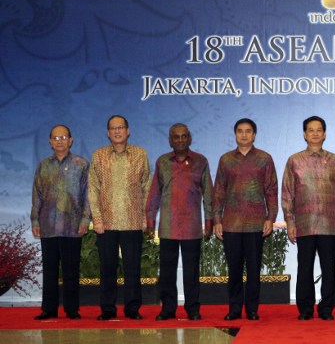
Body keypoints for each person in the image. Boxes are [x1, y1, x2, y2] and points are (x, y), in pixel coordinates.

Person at [281, 116, 335, 321]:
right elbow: (287, 194)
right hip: (304, 224)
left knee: (329, 268)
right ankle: (305, 308)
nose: (314, 133)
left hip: (329, 224)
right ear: (304, 134)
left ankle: (327, 308)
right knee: (305, 268)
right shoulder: (294, 161)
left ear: (324, 134)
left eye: (318, 130)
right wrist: (290, 222)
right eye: (310, 130)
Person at [145, 123, 213, 321]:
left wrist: (209, 220)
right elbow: (154, 193)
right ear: (170, 140)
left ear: (189, 138)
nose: (181, 140)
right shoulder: (162, 162)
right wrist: (150, 220)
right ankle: (168, 308)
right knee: (167, 271)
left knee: (192, 271)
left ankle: (193, 309)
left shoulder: (201, 161)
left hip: (192, 226)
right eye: (176, 137)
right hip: (168, 226)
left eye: (184, 136)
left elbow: (209, 193)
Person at [213, 118, 278, 321]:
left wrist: (270, 217)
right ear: (235, 135)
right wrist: (217, 220)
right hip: (231, 223)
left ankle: (252, 309)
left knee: (253, 269)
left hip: (256, 223)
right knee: (233, 270)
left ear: (254, 135)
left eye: (248, 131)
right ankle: (234, 309)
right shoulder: (225, 160)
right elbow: (218, 192)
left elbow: (271, 191)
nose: (244, 135)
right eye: (240, 131)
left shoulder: (264, 159)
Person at [88, 115, 151, 320]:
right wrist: (97, 219)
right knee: (107, 268)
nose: (117, 131)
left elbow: (147, 187)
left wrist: (145, 217)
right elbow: (93, 189)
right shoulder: (98, 155)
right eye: (113, 128)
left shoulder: (140, 154)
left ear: (128, 131)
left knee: (132, 268)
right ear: (108, 133)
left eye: (121, 127)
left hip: (133, 221)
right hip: (106, 223)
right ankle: (108, 309)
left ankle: (132, 309)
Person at [30, 124, 90, 320]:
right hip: (47, 225)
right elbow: (37, 195)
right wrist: (35, 220)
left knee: (71, 270)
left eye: (63, 137)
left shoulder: (81, 164)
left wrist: (85, 218)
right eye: (55, 138)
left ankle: (72, 309)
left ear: (70, 140)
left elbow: (87, 195)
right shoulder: (43, 165)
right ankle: (49, 309)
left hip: (72, 226)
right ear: (50, 142)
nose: (60, 141)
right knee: (50, 270)